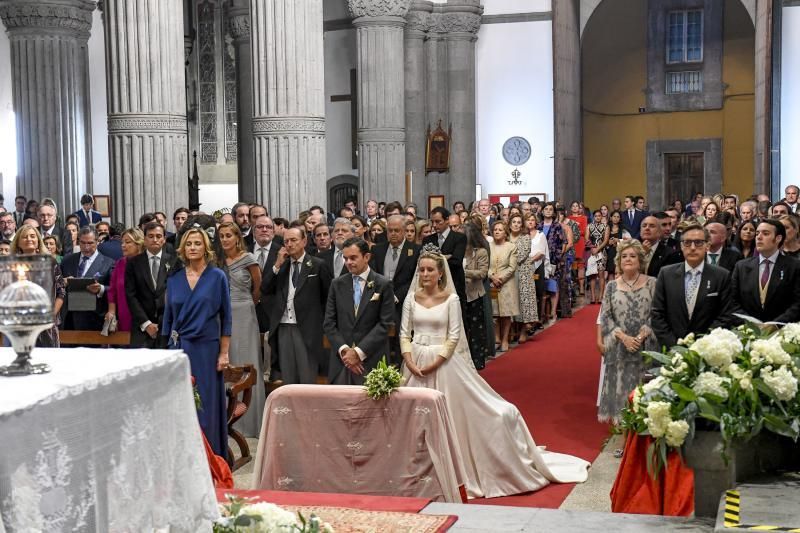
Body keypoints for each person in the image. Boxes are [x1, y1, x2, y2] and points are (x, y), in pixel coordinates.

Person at [400, 248, 589, 498]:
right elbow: (405, 333)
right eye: (421, 269)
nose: (425, 274)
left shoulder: (451, 299)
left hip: (442, 364)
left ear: (440, 274)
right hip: (414, 362)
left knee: (467, 415)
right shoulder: (411, 299)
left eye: (430, 270)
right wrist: (410, 361)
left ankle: (455, 466)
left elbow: (454, 335)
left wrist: (435, 362)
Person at [163, 228, 231, 458]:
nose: (193, 247)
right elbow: (168, 318)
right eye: (189, 244)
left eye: (197, 243)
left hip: (207, 350)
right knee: (181, 405)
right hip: (180, 350)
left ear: (206, 248)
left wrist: (224, 353)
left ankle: (211, 459)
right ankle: (184, 457)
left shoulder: (217, 277)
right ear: (183, 248)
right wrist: (168, 353)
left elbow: (227, 317)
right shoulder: (173, 278)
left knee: (207, 406)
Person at [262, 227, 333, 384]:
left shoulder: (318, 265)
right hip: (283, 325)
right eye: (286, 241)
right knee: (288, 377)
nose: (289, 244)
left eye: (293, 240)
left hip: (307, 327)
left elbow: (328, 298)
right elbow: (265, 289)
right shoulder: (282, 266)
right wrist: (276, 265)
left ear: (304, 241)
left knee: (307, 376)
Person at [598, 240, 657, 424]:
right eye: (624, 256)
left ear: (641, 259)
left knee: (643, 393)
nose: (628, 259)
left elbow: (657, 314)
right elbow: (606, 317)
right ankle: (623, 440)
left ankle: (643, 439)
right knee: (621, 395)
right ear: (618, 261)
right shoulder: (611, 286)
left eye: (633, 256)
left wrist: (638, 338)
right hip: (619, 350)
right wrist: (624, 338)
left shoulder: (652, 283)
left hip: (645, 348)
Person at [651, 224, 735, 350]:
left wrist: (702, 344)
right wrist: (674, 347)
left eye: (698, 243)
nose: (693, 248)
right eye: (687, 243)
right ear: (681, 246)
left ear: (707, 246)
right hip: (671, 351)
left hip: (707, 350)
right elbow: (657, 314)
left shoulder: (721, 275)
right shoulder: (666, 274)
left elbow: (725, 316)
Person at [324, 238, 396, 384]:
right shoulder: (337, 284)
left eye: (353, 258)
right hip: (342, 363)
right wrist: (346, 352)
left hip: (372, 361)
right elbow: (329, 323)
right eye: (345, 258)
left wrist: (358, 353)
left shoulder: (383, 284)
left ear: (367, 257)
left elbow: (385, 324)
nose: (348, 262)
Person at [218, 221, 264, 437]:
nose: (225, 239)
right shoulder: (217, 261)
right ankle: (229, 418)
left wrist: (246, 305)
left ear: (237, 237)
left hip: (244, 311)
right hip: (223, 314)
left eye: (229, 235)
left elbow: (258, 288)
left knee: (247, 359)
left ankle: (250, 421)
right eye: (222, 236)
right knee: (230, 360)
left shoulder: (249, 259)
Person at [369, 215, 420, 358]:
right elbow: (373, 275)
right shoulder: (377, 250)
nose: (393, 234)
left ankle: (400, 364)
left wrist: (396, 296)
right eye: (390, 230)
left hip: (403, 302)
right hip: (380, 300)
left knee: (400, 337)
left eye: (397, 230)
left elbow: (414, 279)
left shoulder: (415, 250)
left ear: (404, 231)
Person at [730, 219, 800, 324]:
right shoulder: (741, 266)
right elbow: (732, 301)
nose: (758, 237)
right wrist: (751, 324)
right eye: (757, 233)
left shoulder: (794, 266)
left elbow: (797, 303)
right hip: (748, 330)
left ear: (778, 238)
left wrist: (775, 324)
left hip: (782, 331)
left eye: (765, 233)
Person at [11, 224, 66, 347]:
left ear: (38, 240)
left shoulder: (50, 262)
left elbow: (61, 291)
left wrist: (52, 314)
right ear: (18, 242)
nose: (29, 239)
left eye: (32, 236)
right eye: (25, 237)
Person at [125, 221, 175, 348]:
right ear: (145, 239)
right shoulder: (133, 263)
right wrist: (146, 324)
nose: (155, 239)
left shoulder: (175, 262)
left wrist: (163, 323)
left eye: (159, 236)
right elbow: (131, 295)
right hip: (141, 327)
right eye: (151, 236)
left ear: (164, 239)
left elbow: (176, 294)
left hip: (167, 326)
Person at [60, 226, 115, 331]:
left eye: (90, 243)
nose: (86, 247)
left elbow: (114, 289)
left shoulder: (108, 263)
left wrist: (101, 289)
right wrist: (63, 282)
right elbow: (56, 285)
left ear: (97, 242)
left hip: (94, 319)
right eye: (82, 243)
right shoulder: (67, 260)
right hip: (69, 319)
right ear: (78, 241)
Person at [105, 227, 144, 335]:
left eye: (127, 242)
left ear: (138, 244)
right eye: (122, 242)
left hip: (143, 314)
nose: (122, 245)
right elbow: (112, 291)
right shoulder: (120, 263)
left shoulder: (146, 263)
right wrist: (111, 311)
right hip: (123, 313)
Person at [463, 222, 490, 369]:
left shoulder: (481, 252)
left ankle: (478, 360)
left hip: (475, 294)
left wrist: (463, 272)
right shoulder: (457, 251)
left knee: (476, 329)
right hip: (460, 294)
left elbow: (482, 273)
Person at [488, 221, 518, 352]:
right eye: (495, 229)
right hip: (491, 283)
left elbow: (512, 267)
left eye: (500, 230)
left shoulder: (511, 247)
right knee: (494, 314)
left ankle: (505, 339)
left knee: (506, 314)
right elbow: (484, 265)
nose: (497, 232)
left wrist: (500, 278)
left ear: (505, 232)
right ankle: (497, 338)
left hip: (506, 284)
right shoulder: (488, 246)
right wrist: (492, 276)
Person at [509, 213, 537, 342]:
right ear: (509, 223)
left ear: (522, 225)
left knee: (524, 302)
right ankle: (511, 331)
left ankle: (523, 331)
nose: (516, 224)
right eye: (514, 222)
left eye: (519, 222)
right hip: (509, 274)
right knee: (512, 302)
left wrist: (507, 261)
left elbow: (520, 256)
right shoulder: (506, 237)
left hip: (523, 273)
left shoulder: (525, 237)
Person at [539, 202, 567, 321]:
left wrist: (560, 255)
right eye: (546, 209)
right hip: (540, 260)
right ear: (542, 211)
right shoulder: (538, 225)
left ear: (554, 212)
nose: (549, 211)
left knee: (553, 285)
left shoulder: (557, 226)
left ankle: (553, 312)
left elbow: (564, 242)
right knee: (543, 286)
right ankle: (542, 314)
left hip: (554, 259)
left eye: (551, 209)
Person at [586, 209, 609, 304]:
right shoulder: (589, 226)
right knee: (592, 275)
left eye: (599, 216)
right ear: (593, 217)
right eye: (596, 216)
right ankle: (592, 297)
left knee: (601, 275)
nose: (598, 217)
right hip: (592, 253)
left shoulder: (606, 226)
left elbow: (606, 240)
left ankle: (600, 297)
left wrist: (597, 249)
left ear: (602, 217)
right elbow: (587, 238)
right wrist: (592, 248)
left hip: (602, 252)